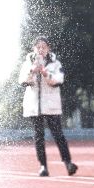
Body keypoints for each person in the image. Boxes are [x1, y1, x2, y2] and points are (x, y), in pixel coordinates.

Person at [17, 36, 77, 177]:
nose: (41, 49)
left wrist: (45, 73)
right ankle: (43, 166)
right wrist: (32, 71)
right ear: (34, 49)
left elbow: (58, 80)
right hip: (34, 106)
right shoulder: (27, 63)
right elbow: (22, 81)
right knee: (39, 136)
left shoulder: (55, 63)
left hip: (51, 105)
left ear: (48, 48)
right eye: (38, 46)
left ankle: (68, 163)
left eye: (44, 46)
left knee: (58, 135)